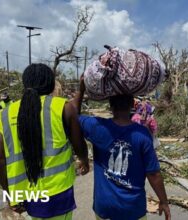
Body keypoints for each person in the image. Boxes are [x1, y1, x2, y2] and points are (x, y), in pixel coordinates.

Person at [0, 64, 89, 219]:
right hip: (58, 190)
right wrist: (84, 160)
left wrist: (10, 194)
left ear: (25, 84)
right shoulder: (62, 107)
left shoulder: (4, 115)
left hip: (27, 193)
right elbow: (79, 144)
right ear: (51, 84)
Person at [73, 77, 170, 220]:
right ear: (132, 105)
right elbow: (153, 174)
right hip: (132, 209)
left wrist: (81, 90)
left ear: (110, 105)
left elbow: (73, 117)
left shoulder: (97, 127)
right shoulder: (142, 134)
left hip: (104, 207)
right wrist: (164, 201)